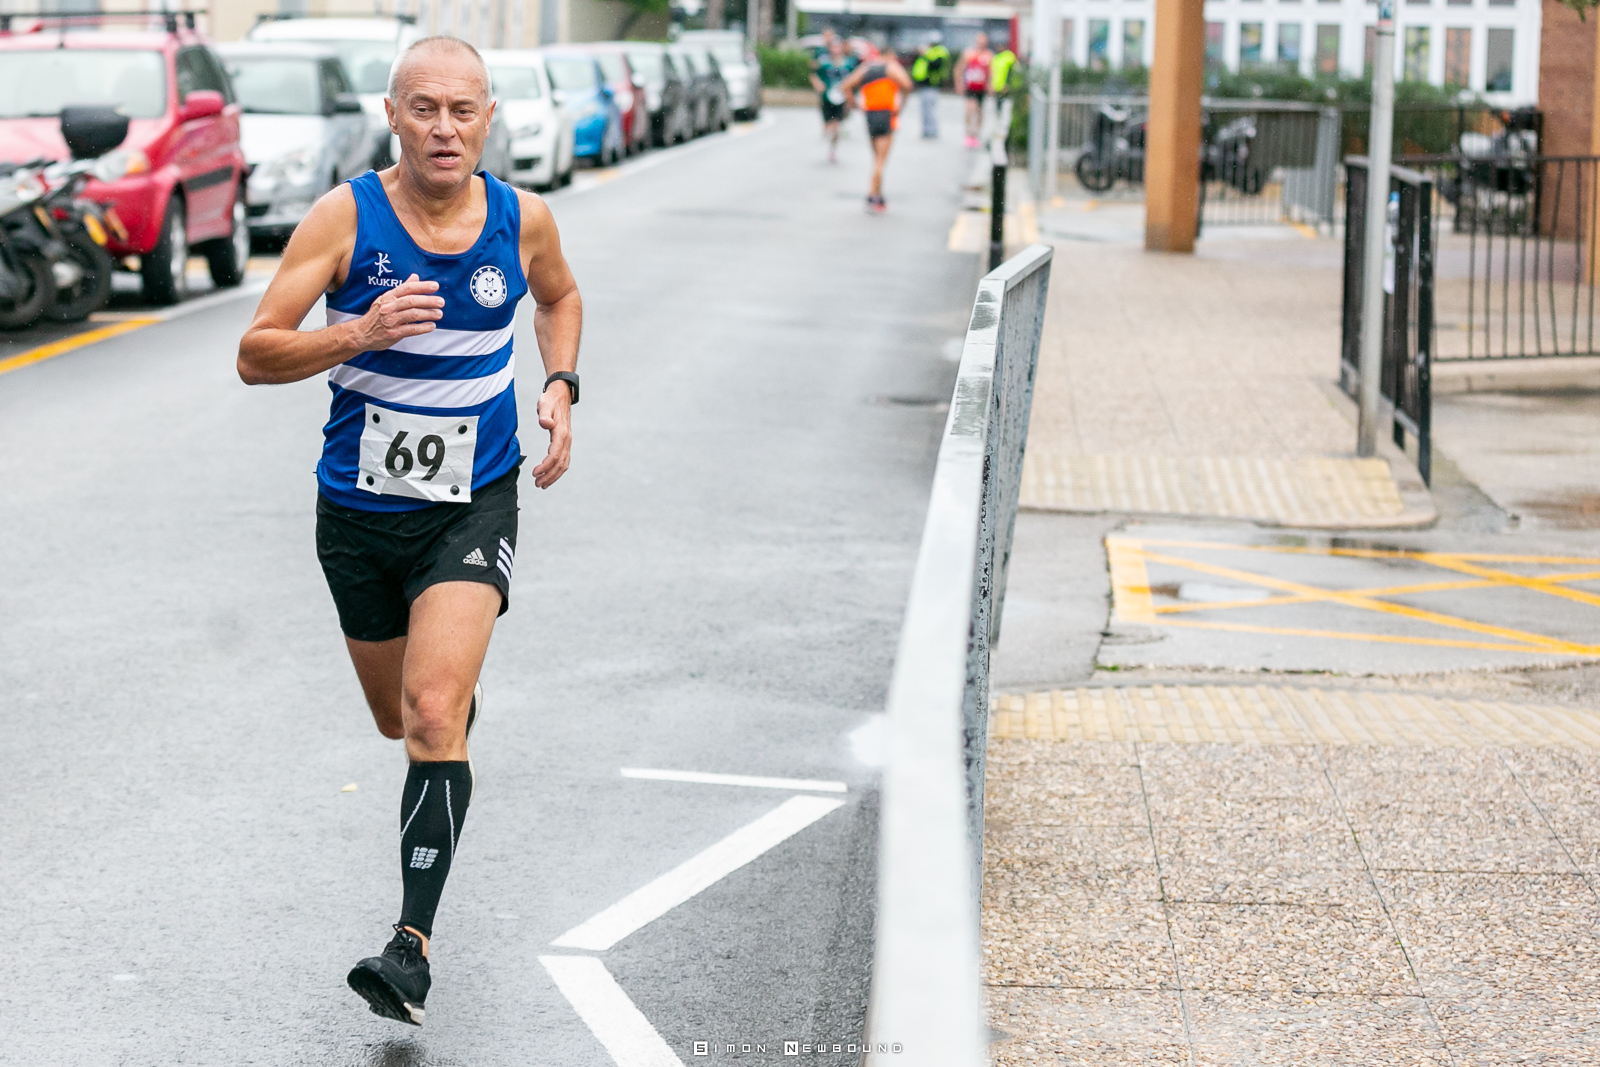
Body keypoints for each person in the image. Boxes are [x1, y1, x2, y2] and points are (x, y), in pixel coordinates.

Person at [236, 34, 582, 1027]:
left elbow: (559, 296)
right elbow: (256, 352)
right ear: (392, 115)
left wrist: (560, 383)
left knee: (432, 711)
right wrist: (361, 330)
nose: (444, 128)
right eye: (423, 108)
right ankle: (447, 704)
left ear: (488, 119)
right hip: (357, 513)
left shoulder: (523, 219)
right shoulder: (345, 218)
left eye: (463, 110)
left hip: (473, 500)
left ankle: (409, 947)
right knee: (399, 720)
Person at [836, 48, 913, 213]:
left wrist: (855, 104)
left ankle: (879, 193)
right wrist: (901, 104)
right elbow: (907, 84)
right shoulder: (891, 67)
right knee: (880, 160)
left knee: (876, 157)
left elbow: (845, 86)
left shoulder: (866, 68)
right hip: (886, 114)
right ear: (890, 55)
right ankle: (873, 195)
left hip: (870, 115)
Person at [809, 36, 858, 163]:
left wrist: (851, 95)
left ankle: (833, 149)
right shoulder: (824, 63)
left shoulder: (849, 64)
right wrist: (818, 85)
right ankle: (829, 130)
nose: (836, 50)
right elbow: (813, 75)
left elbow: (855, 78)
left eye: (838, 47)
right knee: (828, 125)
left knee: (837, 126)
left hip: (841, 99)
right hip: (826, 98)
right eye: (833, 47)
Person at [910, 33, 951, 139]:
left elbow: (935, 65)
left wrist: (925, 54)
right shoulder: (929, 51)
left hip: (932, 84)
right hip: (924, 84)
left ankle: (932, 130)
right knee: (924, 109)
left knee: (930, 109)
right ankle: (926, 130)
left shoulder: (940, 52)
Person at [958, 32, 993, 149]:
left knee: (979, 111)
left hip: (981, 88)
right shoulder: (969, 53)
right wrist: (959, 84)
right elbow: (959, 69)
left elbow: (991, 72)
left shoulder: (988, 55)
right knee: (970, 108)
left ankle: (976, 134)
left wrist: (990, 85)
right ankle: (968, 133)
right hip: (970, 87)